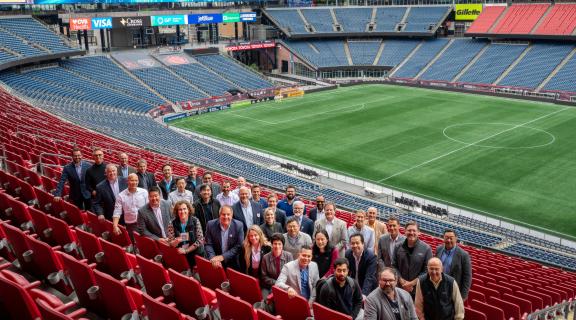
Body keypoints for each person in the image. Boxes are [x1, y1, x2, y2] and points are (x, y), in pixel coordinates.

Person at [393, 221, 433, 297]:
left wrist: (411, 284)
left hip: (417, 290)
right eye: (409, 230)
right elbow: (394, 266)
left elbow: (426, 271)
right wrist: (401, 281)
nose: (411, 233)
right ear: (405, 232)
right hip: (399, 287)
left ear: (418, 232)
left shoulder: (427, 249)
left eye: (414, 230)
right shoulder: (398, 246)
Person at [435, 229, 472, 300]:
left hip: (452, 292)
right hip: (437, 287)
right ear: (443, 238)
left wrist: (462, 297)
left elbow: (467, 277)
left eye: (451, 238)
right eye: (446, 237)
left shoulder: (464, 255)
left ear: (456, 238)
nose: (448, 240)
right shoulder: (438, 249)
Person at [204, 206, 244, 270]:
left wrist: (223, 257)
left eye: (228, 214)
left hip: (232, 261)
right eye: (223, 214)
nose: (226, 217)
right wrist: (213, 258)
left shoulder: (239, 225)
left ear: (232, 215)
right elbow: (208, 244)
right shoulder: (210, 225)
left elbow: (239, 246)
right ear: (219, 215)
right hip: (215, 261)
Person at [112, 173, 148, 242]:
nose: (134, 182)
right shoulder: (121, 196)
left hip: (145, 224)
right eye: (132, 180)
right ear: (127, 181)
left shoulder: (144, 192)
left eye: (136, 180)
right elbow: (117, 212)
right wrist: (115, 226)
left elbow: (149, 209)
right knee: (135, 244)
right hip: (131, 225)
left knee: (147, 244)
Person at [171, 200, 204, 268]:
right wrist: (176, 242)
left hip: (196, 254)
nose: (182, 211)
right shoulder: (172, 223)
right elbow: (170, 243)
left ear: (188, 210)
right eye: (180, 209)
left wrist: (186, 250)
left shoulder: (195, 221)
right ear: (177, 212)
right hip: (181, 256)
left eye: (184, 209)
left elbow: (200, 240)